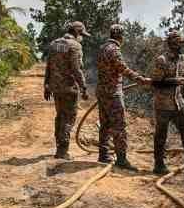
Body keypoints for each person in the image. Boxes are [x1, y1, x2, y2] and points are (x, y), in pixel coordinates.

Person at [148, 30, 184, 174]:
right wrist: (172, 81)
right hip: (163, 104)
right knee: (161, 135)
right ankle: (159, 165)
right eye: (181, 43)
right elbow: (155, 83)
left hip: (178, 104)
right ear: (174, 44)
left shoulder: (183, 59)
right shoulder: (162, 60)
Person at [95, 24, 148, 169]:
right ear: (120, 37)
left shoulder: (102, 48)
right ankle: (122, 160)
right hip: (113, 93)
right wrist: (139, 78)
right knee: (119, 126)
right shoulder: (114, 50)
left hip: (101, 91)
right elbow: (122, 68)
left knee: (105, 124)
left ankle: (103, 155)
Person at [43, 21, 89, 159]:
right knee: (68, 118)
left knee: (60, 116)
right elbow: (76, 69)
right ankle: (63, 151)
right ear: (77, 32)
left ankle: (59, 147)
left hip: (55, 88)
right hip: (69, 89)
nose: (82, 37)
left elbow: (48, 66)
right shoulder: (75, 46)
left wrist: (46, 86)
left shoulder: (54, 44)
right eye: (82, 34)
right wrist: (84, 88)